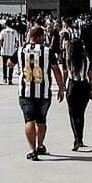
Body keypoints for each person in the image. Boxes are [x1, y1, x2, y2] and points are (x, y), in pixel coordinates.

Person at [17, 25, 65, 161]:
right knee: (41, 121)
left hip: (25, 91)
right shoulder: (47, 51)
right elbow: (56, 69)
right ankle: (40, 145)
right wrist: (61, 87)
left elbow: (9, 63)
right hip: (43, 93)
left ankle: (32, 150)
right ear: (39, 37)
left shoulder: (21, 50)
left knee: (29, 120)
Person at [65, 37, 92, 150]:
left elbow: (66, 72)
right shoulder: (87, 59)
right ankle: (80, 138)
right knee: (81, 114)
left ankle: (77, 139)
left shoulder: (69, 58)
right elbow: (91, 75)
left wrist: (62, 87)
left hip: (73, 86)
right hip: (84, 86)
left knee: (72, 114)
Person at [0, 20, 21, 85]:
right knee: (11, 65)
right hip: (12, 51)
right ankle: (10, 79)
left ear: (6, 24)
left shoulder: (3, 31)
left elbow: (0, 40)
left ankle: (4, 78)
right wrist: (17, 47)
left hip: (4, 50)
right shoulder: (14, 31)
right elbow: (17, 41)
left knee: (4, 65)